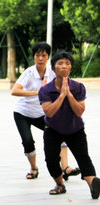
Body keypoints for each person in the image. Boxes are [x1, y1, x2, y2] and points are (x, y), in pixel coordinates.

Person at [11, 42, 80, 180]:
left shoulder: (52, 72)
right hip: (23, 113)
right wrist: (38, 92)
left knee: (62, 133)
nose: (40, 58)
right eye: (37, 55)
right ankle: (34, 168)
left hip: (42, 112)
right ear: (34, 57)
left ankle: (65, 168)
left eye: (44, 55)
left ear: (48, 57)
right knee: (28, 141)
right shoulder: (29, 72)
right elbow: (15, 91)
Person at [39, 51, 100, 198]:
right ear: (53, 68)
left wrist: (69, 95)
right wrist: (61, 96)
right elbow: (49, 112)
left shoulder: (78, 87)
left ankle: (93, 184)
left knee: (83, 158)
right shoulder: (45, 90)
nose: (64, 66)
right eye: (60, 63)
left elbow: (79, 112)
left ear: (71, 68)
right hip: (53, 129)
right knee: (51, 160)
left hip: (75, 129)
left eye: (67, 63)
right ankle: (60, 184)